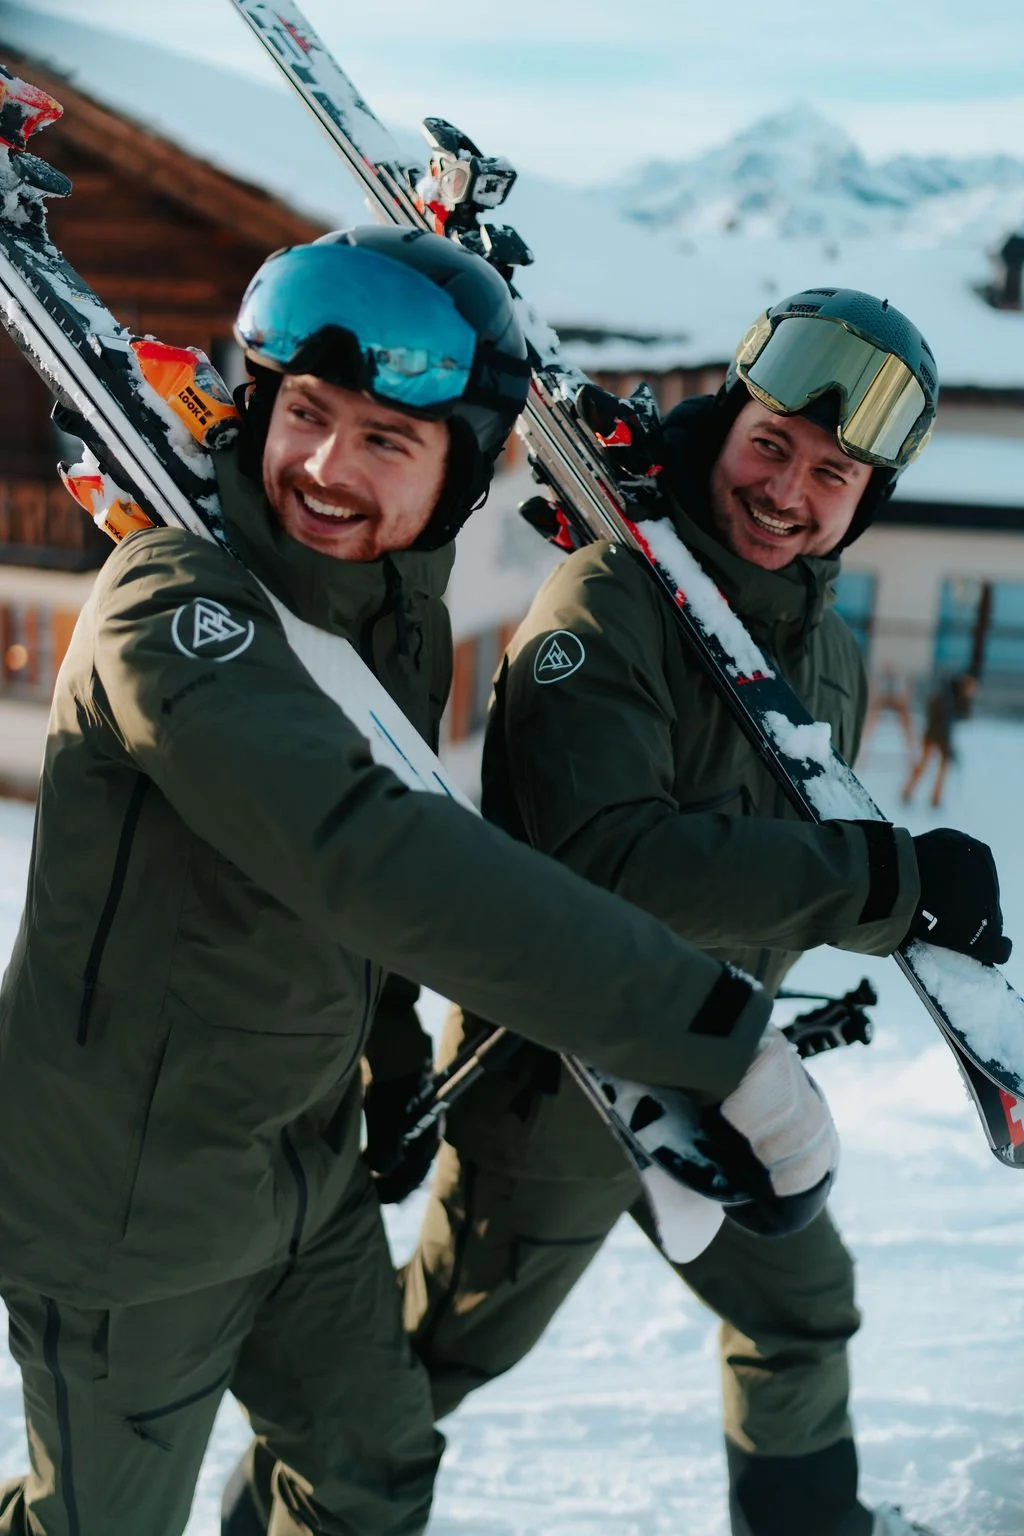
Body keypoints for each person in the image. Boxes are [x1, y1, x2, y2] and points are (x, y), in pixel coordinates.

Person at [0, 227, 842, 1536]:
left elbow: (349, 904)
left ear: (460, 473)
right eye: (307, 414)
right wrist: (707, 1028)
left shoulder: (389, 611)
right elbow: (366, 850)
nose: (326, 467)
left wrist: (385, 1052)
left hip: (304, 1176)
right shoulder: (172, 611)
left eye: (387, 439)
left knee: (372, 1478)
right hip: (131, 1210)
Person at [398, 289, 1011, 1536]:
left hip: (724, 1069)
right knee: (423, 1369)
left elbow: (766, 865)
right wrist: (884, 884)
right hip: (559, 1082)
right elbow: (608, 859)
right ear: (725, 426)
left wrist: (838, 935)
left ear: (865, 500)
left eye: (831, 473)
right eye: (770, 444)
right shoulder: (606, 602)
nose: (787, 491)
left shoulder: (824, 657)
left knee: (802, 1310)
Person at [902, 672, 978, 809]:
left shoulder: (955, 698)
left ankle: (935, 797)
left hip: (942, 736)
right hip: (934, 734)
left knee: (941, 768)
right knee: (924, 765)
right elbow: (937, 715)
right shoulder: (946, 697)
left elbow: (962, 715)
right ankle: (909, 792)